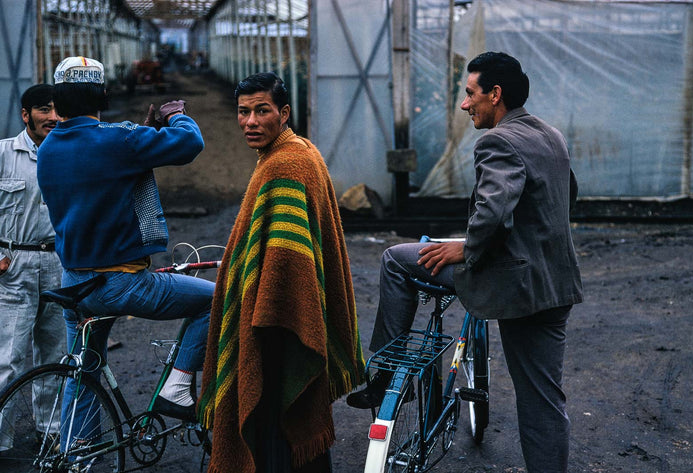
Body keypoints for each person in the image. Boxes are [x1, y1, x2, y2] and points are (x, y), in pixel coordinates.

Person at [347, 52, 583, 473]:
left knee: (397, 260)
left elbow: (492, 211)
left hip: (513, 283)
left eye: (470, 93)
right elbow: (563, 198)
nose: (464, 103)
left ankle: (384, 377)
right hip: (555, 284)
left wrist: (467, 247)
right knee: (544, 400)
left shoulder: (498, 141)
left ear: (495, 95)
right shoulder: (552, 136)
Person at [36, 56, 215, 434]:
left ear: (57, 100)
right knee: (214, 299)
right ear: (103, 96)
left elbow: (102, 171)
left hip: (75, 283)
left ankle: (78, 451)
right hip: (121, 284)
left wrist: (140, 138)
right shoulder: (120, 139)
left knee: (85, 371)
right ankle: (178, 389)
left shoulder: (49, 147)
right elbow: (191, 142)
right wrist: (175, 115)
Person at [197, 72, 365, 473]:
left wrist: (264, 315)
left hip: (277, 326)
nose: (250, 122)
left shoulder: (286, 164)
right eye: (243, 112)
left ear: (283, 113)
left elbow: (288, 263)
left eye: (262, 111)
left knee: (273, 426)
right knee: (294, 441)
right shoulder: (297, 150)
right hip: (282, 319)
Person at [0, 84, 63, 451]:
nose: (52, 117)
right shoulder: (5, 154)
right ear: (26, 115)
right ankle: (2, 442)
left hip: (58, 260)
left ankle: (51, 432)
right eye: (43, 110)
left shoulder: (68, 155)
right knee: (9, 358)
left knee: (54, 353)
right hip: (14, 264)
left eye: (57, 110)